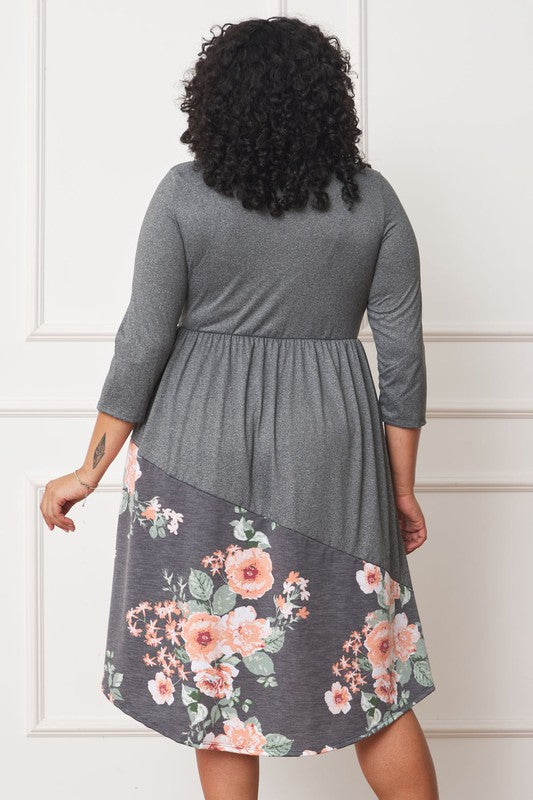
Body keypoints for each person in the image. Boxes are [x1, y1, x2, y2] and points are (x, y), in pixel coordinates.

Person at [40, 15, 439, 800]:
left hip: (195, 444)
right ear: (329, 101)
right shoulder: (373, 201)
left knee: (213, 664)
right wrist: (398, 490)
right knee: (374, 669)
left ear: (213, 99)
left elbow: (142, 343)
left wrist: (87, 472)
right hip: (332, 445)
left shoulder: (184, 194)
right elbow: (402, 360)